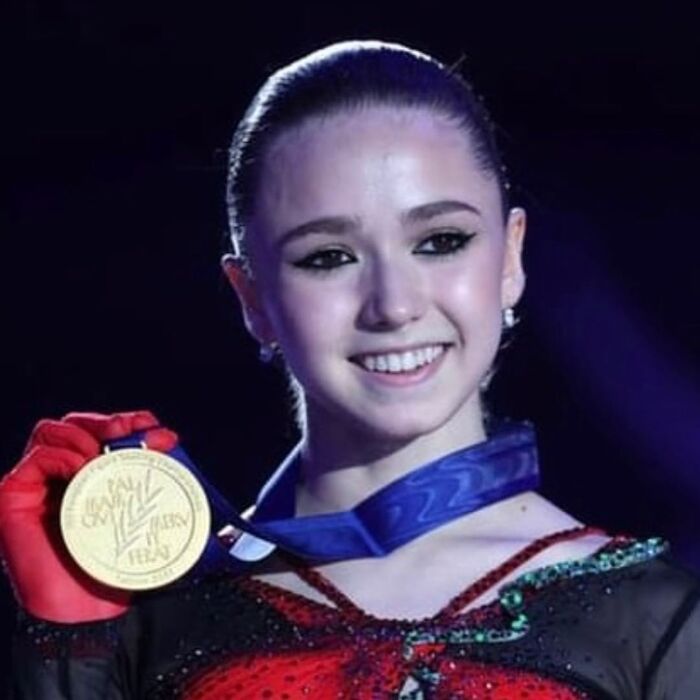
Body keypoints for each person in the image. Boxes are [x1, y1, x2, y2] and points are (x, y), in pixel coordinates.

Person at [1, 39, 698, 699]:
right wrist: (67, 645)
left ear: (511, 257)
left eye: (441, 241)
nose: (394, 305)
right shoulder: (153, 620)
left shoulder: (654, 620)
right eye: (328, 257)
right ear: (252, 299)